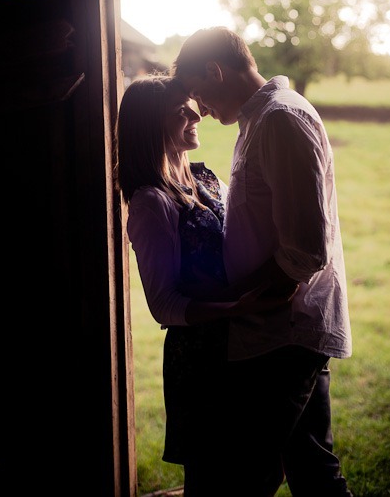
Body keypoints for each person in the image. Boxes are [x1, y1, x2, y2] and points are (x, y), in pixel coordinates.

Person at [171, 26, 353, 497]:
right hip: (279, 330)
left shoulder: (280, 120)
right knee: (313, 469)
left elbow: (305, 250)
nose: (202, 111)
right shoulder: (258, 120)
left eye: (198, 94)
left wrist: (237, 298)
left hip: (285, 332)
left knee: (245, 475)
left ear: (216, 70)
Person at [115, 73, 275, 497]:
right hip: (201, 362)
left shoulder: (204, 180)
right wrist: (238, 308)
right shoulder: (152, 203)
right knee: (212, 477)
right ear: (151, 124)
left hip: (245, 345)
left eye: (194, 106)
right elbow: (165, 305)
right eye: (180, 111)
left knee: (258, 471)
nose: (196, 115)